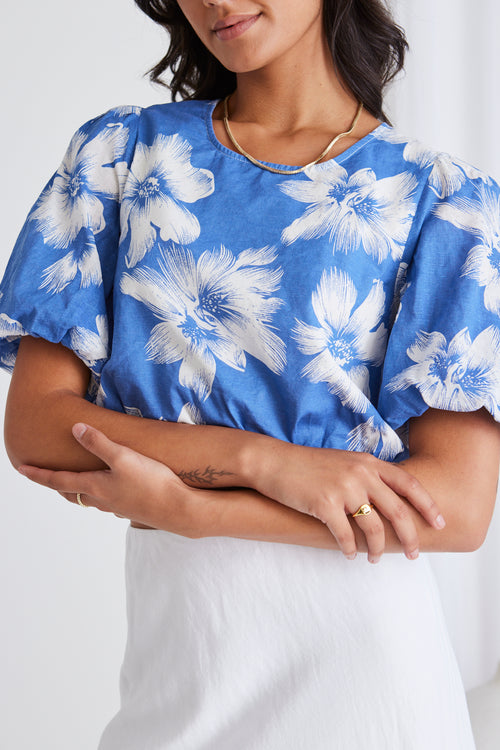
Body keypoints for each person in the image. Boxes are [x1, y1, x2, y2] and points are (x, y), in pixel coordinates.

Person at [1, 0, 499, 747]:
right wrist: (266, 463)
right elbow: (39, 427)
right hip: (180, 670)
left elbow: (456, 506)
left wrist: (204, 513)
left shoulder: (442, 198)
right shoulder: (120, 157)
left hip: (370, 686)